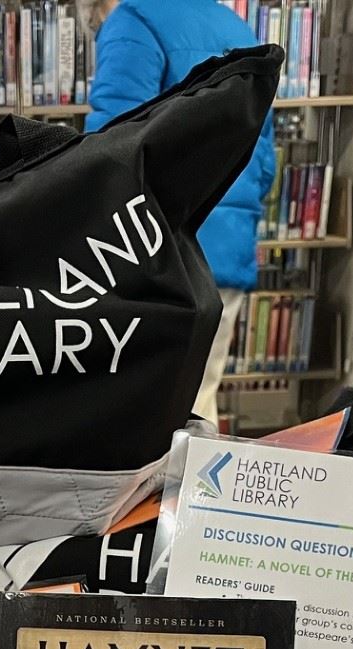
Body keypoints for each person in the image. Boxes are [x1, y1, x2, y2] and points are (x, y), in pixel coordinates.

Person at [87, 0, 275, 427]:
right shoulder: (236, 25)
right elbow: (264, 160)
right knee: (200, 399)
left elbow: (112, 146)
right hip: (227, 249)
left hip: (156, 251)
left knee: (135, 408)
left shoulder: (133, 20)